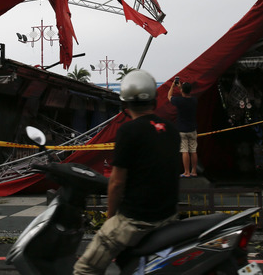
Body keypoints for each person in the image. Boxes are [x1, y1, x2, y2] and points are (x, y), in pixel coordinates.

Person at [74, 69, 181, 275]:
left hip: (136, 220)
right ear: (154, 100)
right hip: (168, 217)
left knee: (84, 268)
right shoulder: (170, 129)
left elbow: (116, 183)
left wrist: (111, 218)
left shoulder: (127, 131)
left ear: (125, 104)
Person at [168, 78, 198, 177]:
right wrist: (181, 87)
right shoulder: (194, 100)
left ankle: (186, 172)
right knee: (193, 151)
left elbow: (169, 96)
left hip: (182, 130)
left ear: (182, 91)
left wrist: (173, 86)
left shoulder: (179, 101)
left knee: (185, 151)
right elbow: (186, 94)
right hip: (192, 129)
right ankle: (194, 171)